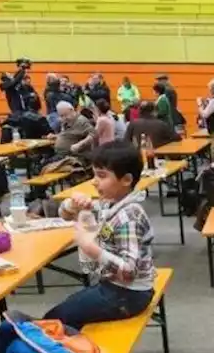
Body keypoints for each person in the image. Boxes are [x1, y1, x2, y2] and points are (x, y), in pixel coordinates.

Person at [50, 141, 155, 329]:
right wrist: (71, 205)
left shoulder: (129, 216)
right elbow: (64, 215)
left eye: (101, 175)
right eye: (94, 174)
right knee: (63, 312)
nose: (93, 181)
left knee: (56, 320)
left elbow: (129, 271)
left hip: (129, 295)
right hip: (115, 287)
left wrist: (91, 248)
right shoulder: (111, 203)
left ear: (126, 180)